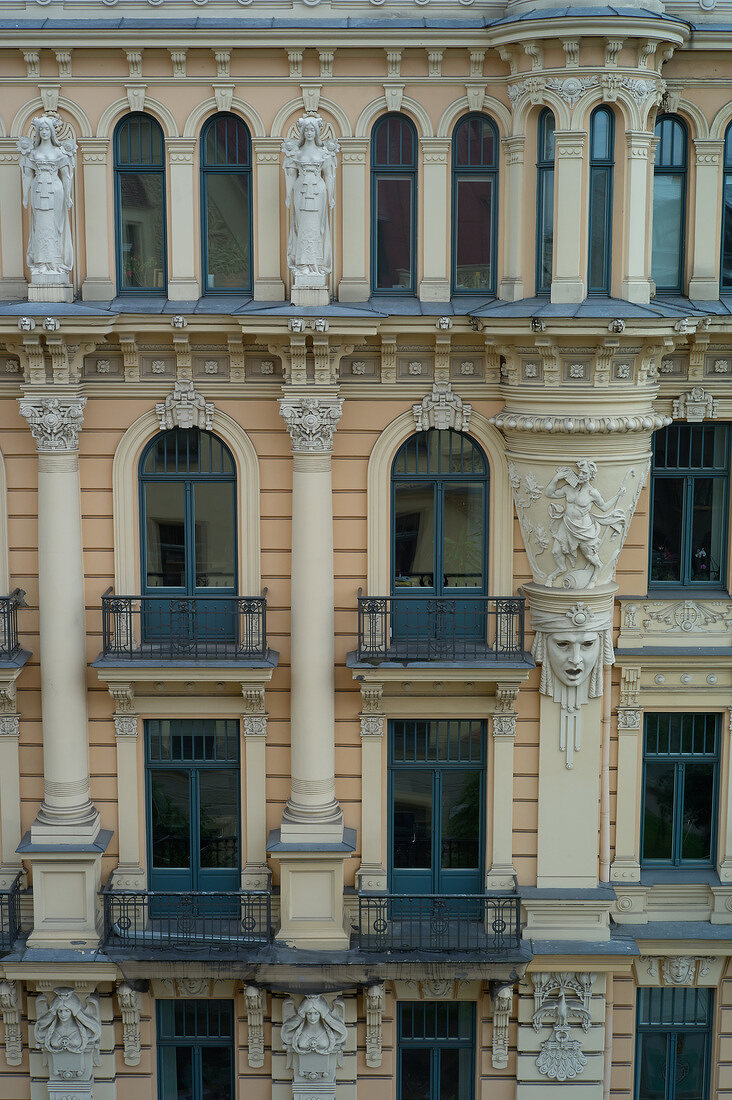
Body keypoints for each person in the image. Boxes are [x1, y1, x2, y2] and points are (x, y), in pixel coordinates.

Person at [18, 115, 76, 279]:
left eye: (46, 129)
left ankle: (55, 263)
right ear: (37, 132)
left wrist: (68, 196)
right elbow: (27, 175)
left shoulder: (59, 151)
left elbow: (66, 175)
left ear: (51, 132)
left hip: (55, 190)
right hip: (37, 189)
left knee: (55, 226)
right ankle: (41, 263)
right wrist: (24, 196)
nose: (44, 132)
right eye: (41, 129)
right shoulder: (33, 152)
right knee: (40, 226)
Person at [282, 115, 338, 281]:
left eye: (312, 129)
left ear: (317, 132)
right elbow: (290, 175)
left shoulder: (323, 152)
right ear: (302, 131)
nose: (309, 132)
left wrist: (331, 197)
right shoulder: (296, 153)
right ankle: (302, 265)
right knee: (301, 226)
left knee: (317, 227)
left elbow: (329, 175)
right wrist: (287, 196)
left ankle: (316, 265)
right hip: (300, 190)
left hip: (318, 191)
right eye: (306, 129)